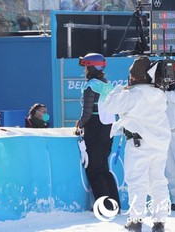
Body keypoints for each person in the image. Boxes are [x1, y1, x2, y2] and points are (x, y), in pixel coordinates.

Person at [104, 56, 171, 232]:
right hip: (160, 144)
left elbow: (109, 107)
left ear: (133, 76)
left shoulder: (130, 95)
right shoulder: (159, 94)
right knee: (158, 181)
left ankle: (136, 220)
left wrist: (119, 89)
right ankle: (160, 221)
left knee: (137, 181)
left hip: (138, 143)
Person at [75, 53, 121, 213]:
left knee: (94, 170)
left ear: (90, 67)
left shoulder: (90, 86)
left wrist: (79, 124)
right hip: (108, 129)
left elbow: (87, 113)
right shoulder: (107, 85)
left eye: (86, 66)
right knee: (104, 168)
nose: (85, 69)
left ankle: (105, 208)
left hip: (94, 129)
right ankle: (115, 205)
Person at [165, 61, 175, 212]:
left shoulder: (174, 91)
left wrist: (165, 90)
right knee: (171, 170)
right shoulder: (172, 88)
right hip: (168, 132)